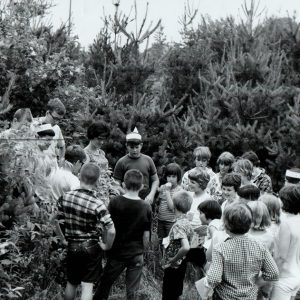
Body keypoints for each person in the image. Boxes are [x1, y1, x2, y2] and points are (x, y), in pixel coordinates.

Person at [54, 163, 116, 300]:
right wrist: (107, 246)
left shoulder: (65, 197)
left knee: (71, 283)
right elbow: (111, 230)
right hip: (91, 248)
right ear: (97, 181)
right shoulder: (97, 203)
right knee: (87, 286)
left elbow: (54, 220)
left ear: (79, 176)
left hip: (72, 246)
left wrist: (62, 238)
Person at [199, 203, 279, 300]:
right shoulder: (260, 246)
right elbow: (273, 273)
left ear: (226, 225)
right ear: (250, 223)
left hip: (224, 296)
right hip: (250, 296)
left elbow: (214, 278)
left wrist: (203, 291)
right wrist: (255, 284)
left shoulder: (220, 248)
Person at [94, 169, 152, 300]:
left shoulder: (115, 202)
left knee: (105, 284)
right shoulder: (146, 206)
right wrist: (143, 251)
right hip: (136, 254)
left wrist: (105, 245)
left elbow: (107, 227)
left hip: (116, 254)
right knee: (132, 291)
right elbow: (146, 235)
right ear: (142, 187)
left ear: (124, 185)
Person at [161, 191, 194, 300]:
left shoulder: (178, 225)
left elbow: (186, 247)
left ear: (174, 206)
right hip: (182, 263)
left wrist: (173, 260)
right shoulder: (187, 222)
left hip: (174, 265)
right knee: (176, 292)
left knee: (168, 293)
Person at [113, 127, 159, 204]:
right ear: (127, 146)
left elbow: (155, 180)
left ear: (141, 145)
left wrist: (151, 195)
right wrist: (126, 195)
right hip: (128, 200)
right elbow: (115, 184)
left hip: (146, 199)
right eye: (131, 147)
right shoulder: (121, 162)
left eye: (137, 147)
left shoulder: (148, 160)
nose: (134, 150)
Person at [271, 185, 300, 300]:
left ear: (285, 201)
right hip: (296, 276)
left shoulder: (285, 224)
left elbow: (281, 257)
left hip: (283, 278)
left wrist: (268, 279)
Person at [32, 98, 66, 164]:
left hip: (52, 167)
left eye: (59, 119)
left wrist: (61, 159)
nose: (57, 122)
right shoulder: (34, 125)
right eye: (55, 118)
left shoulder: (57, 128)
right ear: (47, 113)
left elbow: (62, 146)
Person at [157, 163, 182, 242]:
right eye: (169, 176)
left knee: (170, 242)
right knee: (161, 241)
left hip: (171, 221)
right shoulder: (163, 187)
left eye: (173, 176)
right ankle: (161, 254)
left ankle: (169, 255)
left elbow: (172, 207)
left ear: (178, 177)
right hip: (160, 219)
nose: (171, 179)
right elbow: (160, 202)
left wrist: (167, 192)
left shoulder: (179, 190)